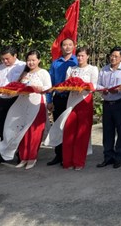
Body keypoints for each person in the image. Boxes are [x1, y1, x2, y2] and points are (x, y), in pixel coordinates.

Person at [45, 46, 99, 170]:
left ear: (88, 56)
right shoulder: (71, 69)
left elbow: (94, 86)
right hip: (71, 102)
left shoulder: (92, 69)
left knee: (82, 133)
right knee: (69, 131)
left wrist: (84, 85)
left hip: (84, 101)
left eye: (83, 55)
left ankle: (79, 162)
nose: (80, 58)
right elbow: (66, 84)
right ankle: (68, 161)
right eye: (78, 55)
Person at [0, 50, 52, 169]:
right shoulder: (24, 74)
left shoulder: (43, 73)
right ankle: (23, 157)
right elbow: (17, 88)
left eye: (33, 60)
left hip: (37, 104)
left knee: (34, 132)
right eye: (29, 60)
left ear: (39, 60)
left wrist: (38, 88)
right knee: (22, 131)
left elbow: (48, 88)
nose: (31, 63)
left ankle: (32, 157)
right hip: (22, 105)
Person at [0, 46, 25, 164]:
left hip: (17, 99)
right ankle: (2, 154)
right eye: (3, 59)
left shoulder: (23, 66)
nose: (5, 61)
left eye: (7, 59)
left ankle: (20, 154)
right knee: (2, 127)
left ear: (15, 56)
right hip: (2, 100)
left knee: (17, 127)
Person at [96, 47, 121, 169]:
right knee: (107, 131)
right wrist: (102, 90)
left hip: (120, 103)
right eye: (111, 56)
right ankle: (107, 157)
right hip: (107, 103)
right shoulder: (104, 69)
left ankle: (118, 157)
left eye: (116, 56)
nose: (113, 58)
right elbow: (98, 83)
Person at [46, 38, 77, 167]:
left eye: (70, 45)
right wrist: (49, 100)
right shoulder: (55, 63)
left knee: (70, 128)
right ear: (61, 47)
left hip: (73, 98)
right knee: (58, 126)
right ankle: (59, 155)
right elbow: (50, 82)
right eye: (65, 45)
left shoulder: (77, 61)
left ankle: (71, 155)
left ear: (74, 46)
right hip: (59, 98)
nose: (67, 47)